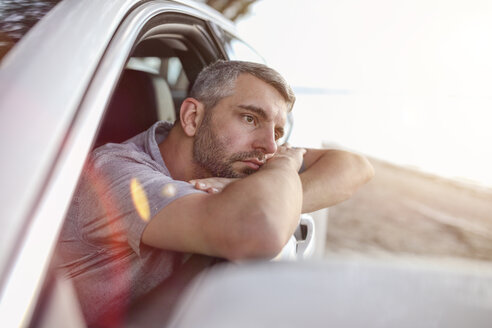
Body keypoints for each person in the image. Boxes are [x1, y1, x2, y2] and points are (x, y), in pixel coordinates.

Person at [56, 60, 374, 325]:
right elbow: (258, 229)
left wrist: (265, 191)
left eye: (278, 132)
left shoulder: (237, 164)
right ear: (193, 118)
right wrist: (284, 168)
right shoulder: (118, 173)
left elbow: (355, 167)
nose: (270, 146)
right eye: (250, 118)